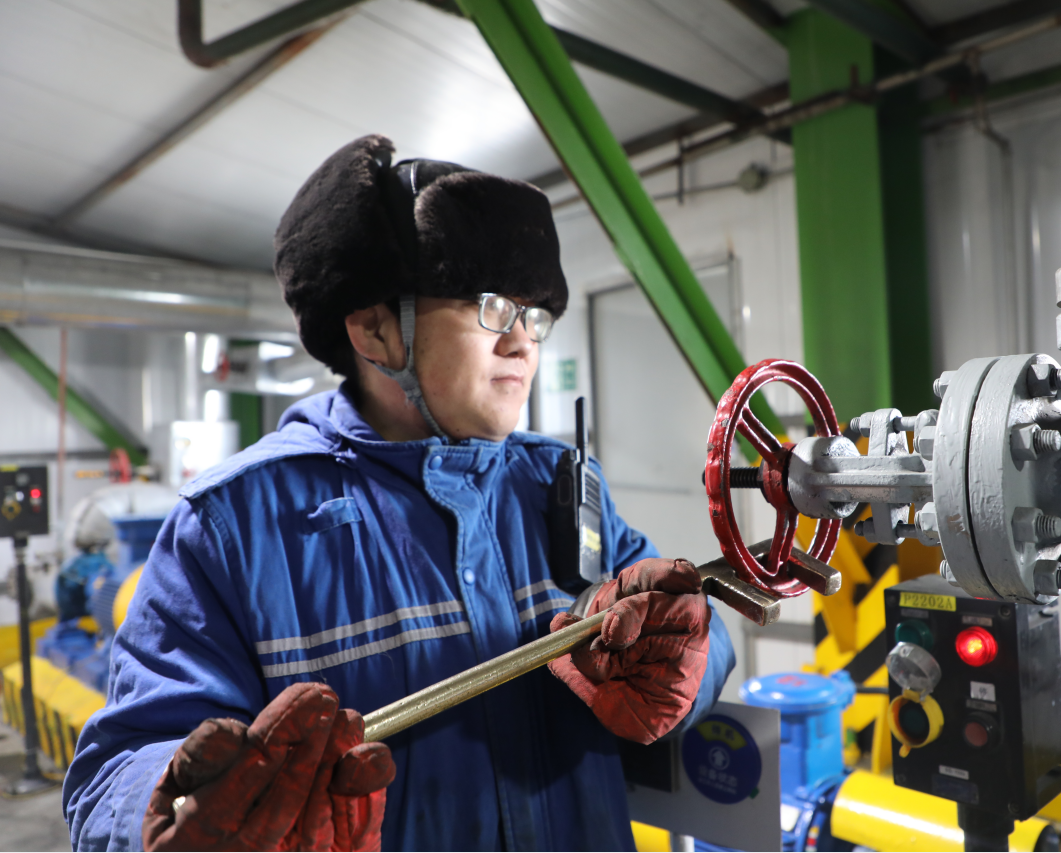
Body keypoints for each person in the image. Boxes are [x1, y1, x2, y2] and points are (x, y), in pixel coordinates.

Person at [63, 135, 735, 851]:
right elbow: (112, 774)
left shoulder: (557, 482)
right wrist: (172, 807)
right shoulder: (235, 524)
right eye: (491, 307)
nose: (523, 343)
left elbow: (696, 636)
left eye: (535, 314)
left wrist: (680, 659)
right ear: (374, 328)